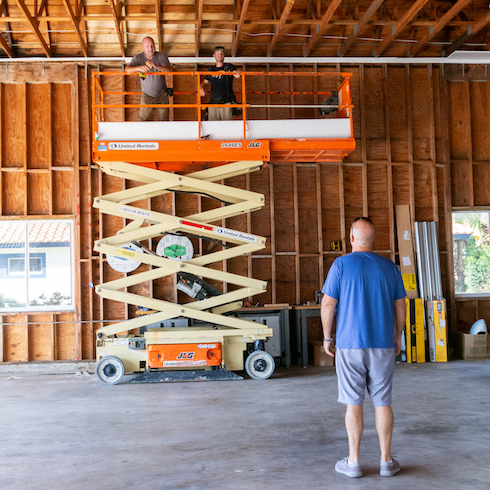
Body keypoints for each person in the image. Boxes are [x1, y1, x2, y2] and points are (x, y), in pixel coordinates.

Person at [320, 217, 406, 478]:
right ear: (373, 239)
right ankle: (386, 462)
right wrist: (397, 336)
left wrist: (327, 338)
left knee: (353, 403)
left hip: (349, 344)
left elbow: (328, 305)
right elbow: (401, 305)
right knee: (382, 402)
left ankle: (354, 462)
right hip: (382, 345)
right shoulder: (389, 267)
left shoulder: (341, 265)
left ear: (351, 237)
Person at [126, 37, 173, 121]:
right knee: (144, 120)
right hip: (146, 95)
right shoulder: (138, 58)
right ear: (143, 47)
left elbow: (169, 70)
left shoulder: (161, 56)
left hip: (162, 94)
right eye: (147, 46)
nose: (150, 48)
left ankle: (164, 134)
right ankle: (145, 134)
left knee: (164, 121)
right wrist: (139, 68)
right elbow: (127, 70)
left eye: (152, 46)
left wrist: (156, 66)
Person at [200, 46, 241, 121]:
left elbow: (236, 74)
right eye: (218, 53)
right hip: (213, 103)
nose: (220, 55)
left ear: (224, 56)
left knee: (227, 126)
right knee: (213, 127)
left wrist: (237, 73)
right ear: (214, 56)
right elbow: (205, 82)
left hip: (226, 102)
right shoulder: (211, 69)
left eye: (221, 53)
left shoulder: (229, 67)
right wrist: (201, 87)